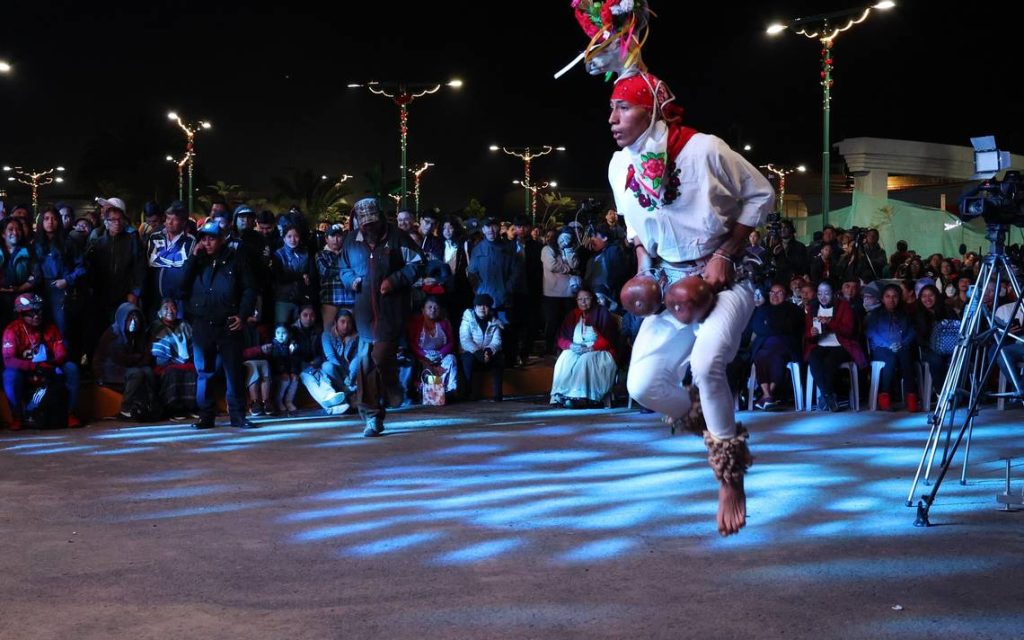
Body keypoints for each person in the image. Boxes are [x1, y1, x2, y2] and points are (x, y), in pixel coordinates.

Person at [605, 70, 774, 536]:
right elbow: (636, 228)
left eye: (624, 108)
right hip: (667, 286)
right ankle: (705, 419)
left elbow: (762, 194)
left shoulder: (705, 149)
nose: (613, 118)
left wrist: (725, 253)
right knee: (641, 384)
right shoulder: (620, 166)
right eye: (612, 109)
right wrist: (642, 266)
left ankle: (729, 475)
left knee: (705, 365)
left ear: (653, 109)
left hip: (724, 281)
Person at [340, 197, 424, 437]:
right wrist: (351, 281)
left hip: (391, 310)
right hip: (365, 311)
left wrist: (395, 280)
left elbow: (418, 263)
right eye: (363, 224)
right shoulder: (351, 240)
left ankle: (391, 384)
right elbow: (343, 269)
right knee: (366, 364)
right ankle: (372, 417)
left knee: (380, 356)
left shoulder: (397, 237)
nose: (368, 228)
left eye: (372, 223)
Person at [181, 220, 258, 429]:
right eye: (204, 239)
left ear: (222, 239)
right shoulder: (197, 261)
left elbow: (249, 289)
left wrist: (242, 315)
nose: (207, 243)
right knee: (204, 371)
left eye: (211, 239)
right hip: (203, 323)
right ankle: (205, 416)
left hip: (229, 323)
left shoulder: (236, 259)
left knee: (233, 370)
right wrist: (192, 258)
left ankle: (238, 415)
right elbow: (181, 287)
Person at [3, 294, 81, 429]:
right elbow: (8, 360)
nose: (36, 315)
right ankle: (17, 416)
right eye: (31, 313)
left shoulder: (51, 328)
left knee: (71, 368)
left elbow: (61, 353)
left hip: (49, 368)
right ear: (21, 314)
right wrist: (33, 366)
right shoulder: (12, 330)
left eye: (39, 311)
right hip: (26, 371)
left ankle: (70, 414)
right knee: (9, 375)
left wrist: (50, 364)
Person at [550, 286, 620, 408]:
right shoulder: (573, 315)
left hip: (600, 350)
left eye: (586, 299)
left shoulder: (601, 312)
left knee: (585, 360)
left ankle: (579, 396)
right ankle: (562, 394)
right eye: (580, 299)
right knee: (565, 358)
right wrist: (571, 346)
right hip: (578, 348)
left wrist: (590, 348)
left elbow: (609, 338)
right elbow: (561, 338)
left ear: (592, 299)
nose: (583, 302)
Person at [803, 282, 866, 412]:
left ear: (834, 294)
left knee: (829, 361)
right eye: (820, 293)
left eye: (826, 293)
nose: (823, 296)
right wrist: (811, 332)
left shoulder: (844, 306)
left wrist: (830, 322)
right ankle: (828, 395)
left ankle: (826, 396)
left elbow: (848, 331)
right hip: (820, 344)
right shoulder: (813, 308)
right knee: (813, 358)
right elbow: (807, 333)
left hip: (842, 345)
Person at [93, 302, 156, 420]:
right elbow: (120, 359)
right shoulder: (113, 333)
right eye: (130, 317)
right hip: (109, 371)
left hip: (127, 367)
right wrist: (137, 357)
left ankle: (149, 405)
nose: (134, 321)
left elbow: (146, 355)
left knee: (147, 371)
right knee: (136, 374)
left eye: (136, 317)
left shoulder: (138, 334)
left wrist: (139, 358)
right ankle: (125, 408)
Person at [749, 283, 804, 410]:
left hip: (785, 344)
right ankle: (768, 396)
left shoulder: (793, 310)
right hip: (764, 345)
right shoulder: (762, 309)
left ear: (785, 295)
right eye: (772, 293)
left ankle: (766, 395)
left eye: (779, 293)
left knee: (776, 356)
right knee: (761, 356)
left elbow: (790, 328)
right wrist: (775, 327)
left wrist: (769, 326)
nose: (775, 295)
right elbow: (758, 328)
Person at [866, 284, 918, 411]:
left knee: (907, 358)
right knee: (889, 360)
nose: (891, 299)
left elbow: (912, 332)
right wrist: (888, 345)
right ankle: (884, 396)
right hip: (882, 348)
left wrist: (903, 343)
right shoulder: (876, 314)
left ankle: (911, 398)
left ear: (899, 298)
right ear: (882, 299)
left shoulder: (905, 314)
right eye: (887, 296)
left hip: (901, 346)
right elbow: (871, 333)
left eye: (894, 296)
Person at [149, 298, 198, 420]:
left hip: (185, 361)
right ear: (159, 312)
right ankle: (174, 410)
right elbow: (159, 357)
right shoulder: (156, 327)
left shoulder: (184, 325)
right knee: (173, 373)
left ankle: (191, 407)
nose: (170, 311)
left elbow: (193, 346)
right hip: (165, 363)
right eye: (166, 308)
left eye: (173, 308)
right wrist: (175, 362)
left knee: (195, 371)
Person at [407, 297, 459, 400]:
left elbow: (451, 342)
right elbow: (411, 343)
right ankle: (434, 390)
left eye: (436, 308)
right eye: (429, 307)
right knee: (425, 370)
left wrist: (441, 354)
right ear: (423, 309)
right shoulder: (416, 322)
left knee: (451, 359)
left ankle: (450, 390)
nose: (433, 310)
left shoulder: (444, 323)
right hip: (423, 357)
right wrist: (424, 354)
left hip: (440, 355)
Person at [459, 294, 504, 401]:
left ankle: (498, 395)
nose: (482, 308)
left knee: (499, 358)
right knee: (467, 359)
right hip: (472, 352)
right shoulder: (467, 319)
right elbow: (465, 339)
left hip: (488, 353)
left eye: (486, 306)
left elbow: (497, 341)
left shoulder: (495, 322)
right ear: (475, 307)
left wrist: (489, 351)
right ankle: (467, 393)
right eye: (479, 305)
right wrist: (478, 352)